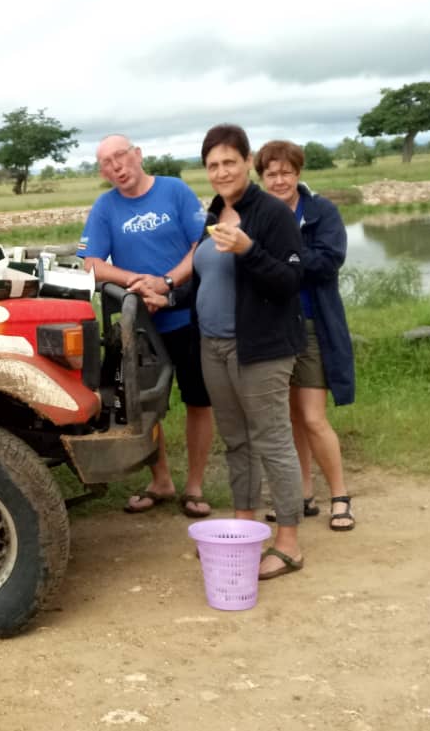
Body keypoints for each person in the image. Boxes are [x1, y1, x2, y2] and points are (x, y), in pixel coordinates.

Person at [149, 124, 306, 579]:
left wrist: (249, 249)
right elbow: (206, 279)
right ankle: (244, 527)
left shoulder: (271, 213)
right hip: (212, 346)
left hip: (260, 348)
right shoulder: (216, 212)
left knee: (272, 441)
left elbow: (290, 282)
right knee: (236, 441)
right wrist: (168, 297)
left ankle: (289, 543)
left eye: (229, 162)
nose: (221, 172)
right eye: (213, 165)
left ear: (247, 162)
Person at [78, 135, 215, 518]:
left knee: (198, 400)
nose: (116, 167)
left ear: (137, 155)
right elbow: (91, 263)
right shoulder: (105, 206)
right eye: (106, 163)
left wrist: (166, 282)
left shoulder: (175, 191)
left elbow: (201, 246)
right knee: (143, 403)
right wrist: (136, 282)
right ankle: (161, 480)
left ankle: (195, 486)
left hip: (187, 314)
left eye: (120, 156)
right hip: (141, 322)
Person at [256, 140, 355, 531]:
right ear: (261, 178)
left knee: (313, 417)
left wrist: (282, 257)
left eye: (286, 172)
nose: (279, 180)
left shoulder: (321, 211)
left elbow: (329, 261)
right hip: (272, 327)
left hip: (312, 324)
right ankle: (303, 494)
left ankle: (340, 496)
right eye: (271, 174)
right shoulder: (257, 214)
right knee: (290, 417)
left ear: (298, 173)